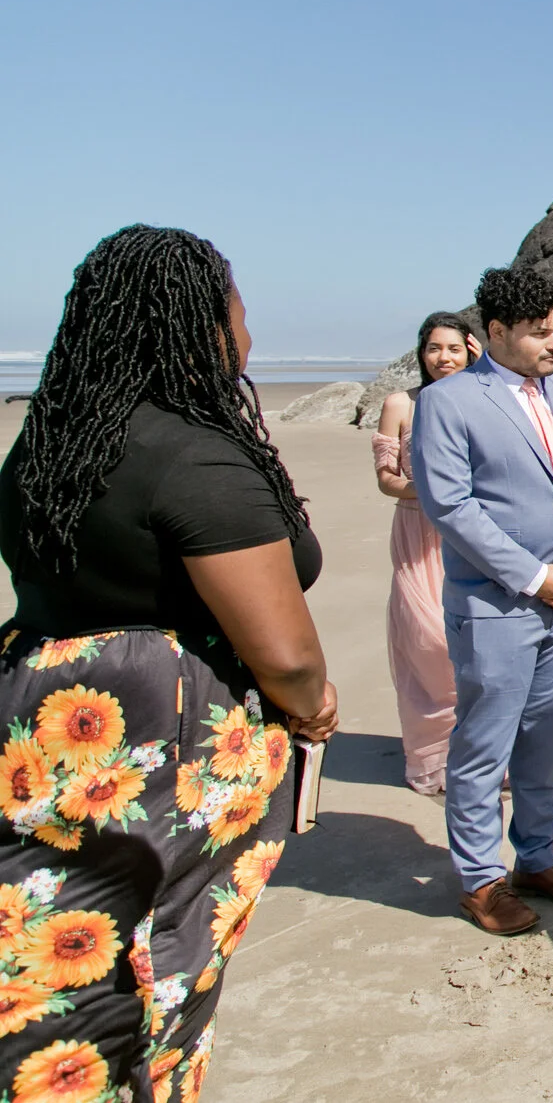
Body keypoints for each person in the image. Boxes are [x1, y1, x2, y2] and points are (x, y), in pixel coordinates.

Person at [0, 226, 338, 1098]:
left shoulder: (45, 444)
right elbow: (286, 652)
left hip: (41, 728)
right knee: (159, 966)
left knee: (52, 952)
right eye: (239, 310)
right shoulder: (196, 457)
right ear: (199, 324)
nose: (251, 336)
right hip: (161, 746)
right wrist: (312, 706)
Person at [410, 267, 553, 934]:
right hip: (495, 603)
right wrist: (532, 576)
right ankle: (479, 877)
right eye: (539, 333)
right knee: (483, 742)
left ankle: (537, 855)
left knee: (546, 735)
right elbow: (451, 506)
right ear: (495, 332)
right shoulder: (449, 402)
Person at [374, 312, 553, 796]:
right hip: (428, 541)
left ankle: (531, 820)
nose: (443, 357)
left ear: (471, 346)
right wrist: (432, 489)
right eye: (433, 348)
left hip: (517, 551)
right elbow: (406, 485)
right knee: (433, 650)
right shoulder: (415, 403)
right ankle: (451, 760)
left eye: (452, 348)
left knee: (533, 685)